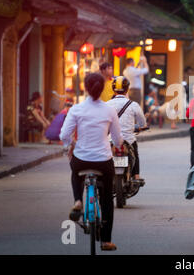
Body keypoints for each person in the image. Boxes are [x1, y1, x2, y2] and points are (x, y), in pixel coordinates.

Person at [60, 73, 123, 251]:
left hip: (81, 159)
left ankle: (78, 200)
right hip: (103, 160)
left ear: (85, 88)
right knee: (107, 201)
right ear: (103, 88)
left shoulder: (76, 109)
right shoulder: (109, 110)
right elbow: (118, 139)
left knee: (75, 173)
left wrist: (72, 145)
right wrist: (116, 144)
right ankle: (105, 241)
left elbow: (64, 135)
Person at [107, 76, 147, 182]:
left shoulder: (106, 105)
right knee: (135, 152)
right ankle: (136, 176)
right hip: (128, 140)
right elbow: (142, 123)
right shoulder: (133, 105)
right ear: (127, 89)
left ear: (113, 89)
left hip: (110, 140)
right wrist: (141, 127)